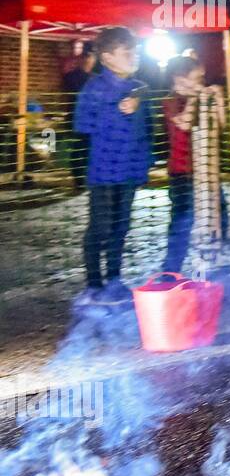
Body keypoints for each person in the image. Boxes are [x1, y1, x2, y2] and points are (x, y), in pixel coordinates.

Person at [73, 27, 152, 304]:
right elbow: (81, 125)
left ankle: (115, 278)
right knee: (101, 227)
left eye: (136, 51)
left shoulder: (138, 89)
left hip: (129, 172)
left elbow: (147, 132)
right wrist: (114, 109)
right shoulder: (94, 87)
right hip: (104, 172)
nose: (134, 57)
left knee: (121, 226)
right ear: (106, 57)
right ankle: (94, 283)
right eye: (127, 52)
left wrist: (144, 167)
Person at [161, 57, 226, 274]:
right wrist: (195, 97)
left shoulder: (201, 97)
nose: (201, 82)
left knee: (218, 215)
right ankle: (171, 271)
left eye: (201, 78)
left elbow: (223, 124)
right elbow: (184, 123)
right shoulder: (171, 100)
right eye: (197, 77)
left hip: (207, 171)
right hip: (182, 172)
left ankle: (209, 265)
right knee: (182, 222)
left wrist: (218, 99)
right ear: (179, 78)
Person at [61, 48, 96, 189]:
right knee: (77, 149)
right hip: (76, 119)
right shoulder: (72, 76)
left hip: (91, 120)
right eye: (87, 57)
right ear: (82, 59)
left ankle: (85, 178)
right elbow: (74, 91)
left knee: (88, 150)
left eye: (91, 57)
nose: (89, 60)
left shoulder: (95, 78)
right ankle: (78, 179)